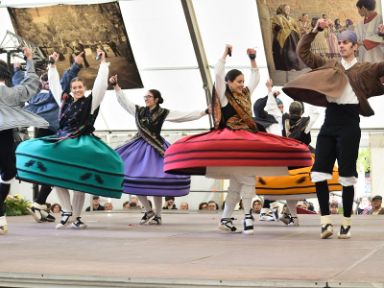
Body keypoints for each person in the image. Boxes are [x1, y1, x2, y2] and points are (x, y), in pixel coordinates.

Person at [163, 45, 311, 234]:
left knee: (236, 185)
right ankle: (248, 217)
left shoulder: (245, 94)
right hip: (232, 142)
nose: (242, 84)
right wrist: (224, 55)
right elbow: (217, 74)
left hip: (246, 140)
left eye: (242, 81)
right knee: (248, 179)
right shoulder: (225, 98)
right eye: (238, 82)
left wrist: (253, 59)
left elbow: (255, 78)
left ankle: (226, 219)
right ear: (229, 83)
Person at [283, 19, 384, 239]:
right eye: (339, 42)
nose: (342, 45)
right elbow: (304, 52)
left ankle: (346, 223)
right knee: (319, 173)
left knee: (347, 176)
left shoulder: (365, 69)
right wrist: (315, 30)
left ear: (355, 46)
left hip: (350, 124)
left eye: (346, 42)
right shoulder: (329, 66)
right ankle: (325, 222)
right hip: (329, 123)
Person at [16, 50, 124, 229]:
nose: (77, 90)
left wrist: (103, 64)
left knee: (79, 182)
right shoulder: (64, 101)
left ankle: (77, 216)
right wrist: (52, 65)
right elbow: (55, 86)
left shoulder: (91, 103)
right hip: (63, 141)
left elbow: (100, 86)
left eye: (80, 87)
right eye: (74, 88)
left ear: (84, 88)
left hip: (81, 143)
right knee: (56, 176)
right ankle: (66, 211)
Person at [109, 75, 209, 226]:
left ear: (156, 99)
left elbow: (182, 115)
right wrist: (116, 86)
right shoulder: (139, 111)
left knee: (157, 181)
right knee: (134, 178)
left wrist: (203, 112)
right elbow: (125, 102)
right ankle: (148, 210)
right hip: (139, 147)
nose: (146, 99)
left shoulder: (163, 113)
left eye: (149, 96)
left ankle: (158, 214)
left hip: (156, 148)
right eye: (145, 96)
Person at [13, 52, 83, 223]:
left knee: (46, 169)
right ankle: (38, 202)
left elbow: (19, 83)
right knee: (54, 169)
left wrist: (17, 70)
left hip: (37, 131)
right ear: (48, 83)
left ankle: (41, 203)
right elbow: (65, 81)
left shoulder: (32, 95)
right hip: (53, 132)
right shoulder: (54, 93)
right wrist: (76, 65)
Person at [1, 47, 48, 235]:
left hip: (5, 135)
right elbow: (31, 84)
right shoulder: (12, 94)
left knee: (8, 171)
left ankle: (0, 215)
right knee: (9, 172)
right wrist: (29, 60)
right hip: (5, 136)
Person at [272, 4, 304, 71]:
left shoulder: (291, 19)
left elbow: (296, 27)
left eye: (289, 9)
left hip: (294, 37)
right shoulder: (278, 17)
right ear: (282, 9)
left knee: (296, 50)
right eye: (286, 8)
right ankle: (290, 66)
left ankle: (297, 65)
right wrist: (277, 27)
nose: (288, 10)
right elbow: (274, 25)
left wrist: (297, 31)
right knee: (288, 51)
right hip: (285, 36)